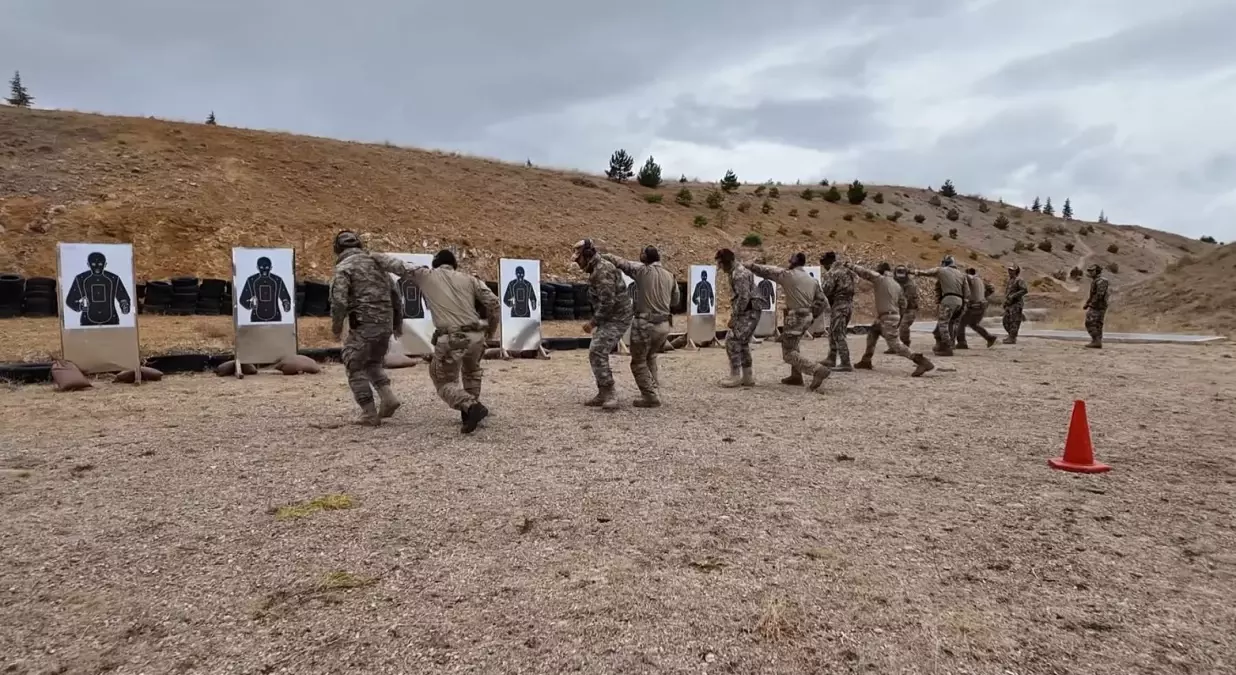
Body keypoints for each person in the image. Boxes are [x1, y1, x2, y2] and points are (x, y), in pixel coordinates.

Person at [329, 231, 419, 427]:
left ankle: (369, 413)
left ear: (337, 249)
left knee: (354, 365)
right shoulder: (378, 264)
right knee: (373, 363)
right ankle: (388, 397)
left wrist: (336, 328)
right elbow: (396, 296)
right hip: (385, 324)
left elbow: (339, 301)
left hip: (363, 325)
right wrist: (396, 324)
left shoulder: (344, 268)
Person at [600, 246, 680, 407]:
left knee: (638, 362)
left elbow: (621, 262)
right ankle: (654, 390)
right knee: (651, 357)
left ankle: (650, 396)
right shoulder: (670, 275)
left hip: (645, 324)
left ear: (645, 256)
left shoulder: (642, 271)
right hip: (664, 325)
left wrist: (602, 255)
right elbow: (675, 301)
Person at [745, 253, 831, 391]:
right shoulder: (812, 280)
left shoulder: (788, 275)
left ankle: (816, 369)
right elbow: (823, 302)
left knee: (788, 353)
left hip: (795, 316)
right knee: (794, 345)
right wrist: (812, 314)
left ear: (795, 261)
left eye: (791, 259)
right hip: (807, 316)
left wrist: (750, 266)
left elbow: (767, 271)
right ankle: (796, 376)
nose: (788, 261)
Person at [844, 260, 935, 377]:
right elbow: (903, 303)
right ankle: (866, 360)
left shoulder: (880, 279)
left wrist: (850, 265)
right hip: (889, 316)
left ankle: (921, 361)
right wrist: (899, 317)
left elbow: (864, 272)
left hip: (887, 316)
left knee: (895, 344)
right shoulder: (896, 284)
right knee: (873, 332)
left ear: (880, 271)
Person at [575, 239, 633, 409]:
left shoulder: (603, 271)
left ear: (587, 256)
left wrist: (592, 323)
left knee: (597, 350)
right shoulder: (596, 268)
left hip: (618, 317)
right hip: (611, 316)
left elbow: (608, 303)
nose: (578, 263)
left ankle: (609, 394)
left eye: (579, 259)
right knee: (596, 350)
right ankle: (603, 392)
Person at [716, 248, 759, 388]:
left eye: (721, 263)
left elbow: (744, 298)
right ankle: (747, 376)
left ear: (727, 262)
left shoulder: (739, 274)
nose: (720, 267)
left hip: (748, 311)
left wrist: (734, 317)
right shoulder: (737, 271)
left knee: (732, 340)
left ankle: (735, 376)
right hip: (751, 310)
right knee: (743, 342)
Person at [912, 255, 969, 356]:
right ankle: (946, 344)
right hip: (960, 302)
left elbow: (928, 272)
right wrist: (964, 304)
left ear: (945, 263)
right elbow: (967, 292)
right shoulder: (961, 274)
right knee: (951, 323)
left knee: (943, 324)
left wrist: (916, 272)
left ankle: (947, 347)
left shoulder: (941, 270)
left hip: (948, 300)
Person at [65, 251, 132, 327]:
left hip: (111, 319)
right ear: (88, 265)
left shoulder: (114, 278)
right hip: (88, 320)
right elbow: (70, 300)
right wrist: (80, 306)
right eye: (93, 264)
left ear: (105, 264)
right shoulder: (81, 278)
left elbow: (123, 296)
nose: (97, 267)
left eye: (100, 264)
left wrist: (124, 305)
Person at [818, 251, 855, 371]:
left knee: (838, 333)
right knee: (833, 331)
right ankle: (831, 358)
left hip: (839, 305)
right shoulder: (847, 270)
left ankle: (845, 362)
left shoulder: (832, 273)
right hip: (849, 304)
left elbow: (826, 290)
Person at [238, 256, 293, 323]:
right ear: (257, 267)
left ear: (271, 267)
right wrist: (250, 304)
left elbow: (285, 296)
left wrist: (286, 303)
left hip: (275, 317)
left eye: (267, 267)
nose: (264, 270)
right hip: (256, 317)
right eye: (261, 267)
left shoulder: (277, 280)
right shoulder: (251, 280)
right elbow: (243, 299)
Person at [954, 268, 998, 349]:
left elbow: (966, 279)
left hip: (973, 307)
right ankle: (989, 337)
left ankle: (962, 342)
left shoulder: (969, 278)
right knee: (973, 324)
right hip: (982, 306)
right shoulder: (980, 280)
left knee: (961, 322)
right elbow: (991, 288)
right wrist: (982, 296)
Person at [888, 265, 918, 352]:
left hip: (909, 309)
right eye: (899, 275)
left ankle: (905, 345)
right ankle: (894, 346)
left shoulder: (910, 284)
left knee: (903, 327)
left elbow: (907, 299)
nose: (900, 278)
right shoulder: (893, 282)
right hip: (898, 308)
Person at [1083, 263, 1109, 349]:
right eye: (1089, 271)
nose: (1090, 273)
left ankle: (1096, 341)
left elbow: (1099, 295)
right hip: (1096, 305)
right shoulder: (1096, 280)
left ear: (1097, 271)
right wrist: (1087, 303)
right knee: (1097, 324)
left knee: (1090, 322)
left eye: (1092, 271)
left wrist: (1091, 304)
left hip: (1099, 306)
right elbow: (1093, 295)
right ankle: (1097, 341)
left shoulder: (1101, 281)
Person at [1001, 264, 1028, 344]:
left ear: (1016, 271)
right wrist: (1005, 302)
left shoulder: (1019, 280)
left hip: (1016, 304)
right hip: (1009, 304)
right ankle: (1011, 336)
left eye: (1012, 270)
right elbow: (1008, 293)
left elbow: (1024, 290)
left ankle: (1012, 338)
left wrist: (1013, 296)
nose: (1010, 271)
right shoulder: (1010, 281)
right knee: (1005, 321)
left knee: (1014, 322)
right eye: (1009, 270)